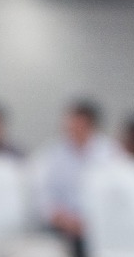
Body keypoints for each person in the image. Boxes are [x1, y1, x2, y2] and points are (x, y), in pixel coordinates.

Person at [37, 99, 119, 257]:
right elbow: (45, 196)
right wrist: (62, 218)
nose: (73, 129)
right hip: (65, 226)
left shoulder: (110, 153)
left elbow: (116, 195)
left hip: (101, 224)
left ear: (91, 125)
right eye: (70, 125)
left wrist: (92, 221)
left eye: (78, 125)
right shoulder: (54, 155)